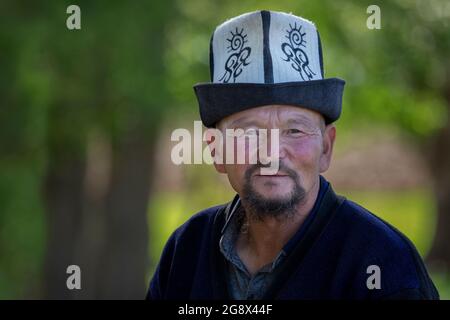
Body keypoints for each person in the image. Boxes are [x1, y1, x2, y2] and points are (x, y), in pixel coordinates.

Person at [147, 10, 439, 300]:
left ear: (326, 148)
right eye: (249, 132)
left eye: (294, 131)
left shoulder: (385, 267)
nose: (272, 152)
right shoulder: (185, 252)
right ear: (216, 150)